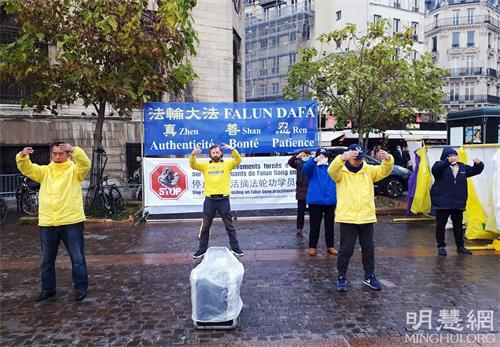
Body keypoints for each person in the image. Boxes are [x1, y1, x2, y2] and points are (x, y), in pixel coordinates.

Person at [16, 142, 91, 302]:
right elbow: (28, 169)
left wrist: (75, 150)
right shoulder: (44, 171)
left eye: (61, 153)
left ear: (68, 155)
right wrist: (22, 157)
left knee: (77, 259)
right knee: (46, 260)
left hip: (71, 221)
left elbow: (85, 164)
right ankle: (48, 290)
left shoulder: (75, 171)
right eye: (55, 154)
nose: (57, 157)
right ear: (51, 155)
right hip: (48, 222)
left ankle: (81, 288)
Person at [328, 144, 393, 292]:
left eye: (360, 158)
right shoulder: (341, 172)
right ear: (349, 157)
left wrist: (388, 159)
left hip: (366, 217)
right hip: (348, 218)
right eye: (355, 158)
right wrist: (341, 158)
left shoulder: (368, 170)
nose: (358, 161)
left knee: (369, 249)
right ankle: (341, 276)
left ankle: (369, 275)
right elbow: (331, 171)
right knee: (346, 250)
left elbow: (384, 171)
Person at [190, 143, 244, 259]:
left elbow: (238, 160)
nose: (215, 154)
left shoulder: (227, 164)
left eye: (217, 152)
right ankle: (201, 249)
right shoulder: (205, 166)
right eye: (213, 152)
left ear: (221, 154)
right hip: (209, 200)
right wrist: (193, 155)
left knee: (229, 226)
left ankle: (235, 248)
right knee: (205, 227)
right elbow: (193, 165)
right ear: (210, 154)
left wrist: (233, 150)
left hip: (223, 200)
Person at [430, 147, 484, 256]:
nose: (453, 157)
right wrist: (447, 161)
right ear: (445, 157)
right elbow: (435, 170)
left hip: (458, 202)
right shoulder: (439, 165)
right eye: (449, 155)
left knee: (458, 226)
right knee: (441, 225)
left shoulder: (462, 167)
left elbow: (475, 171)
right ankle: (441, 246)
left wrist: (479, 164)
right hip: (442, 202)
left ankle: (460, 246)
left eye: (454, 155)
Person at [303, 148, 337, 256]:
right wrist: (314, 160)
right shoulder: (312, 167)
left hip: (330, 200)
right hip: (315, 200)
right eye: (321, 155)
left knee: (330, 225)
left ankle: (330, 246)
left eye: (325, 156)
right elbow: (306, 168)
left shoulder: (331, 167)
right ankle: (312, 246)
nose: (323, 158)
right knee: (314, 225)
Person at [288, 149, 312, 235]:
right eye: (303, 155)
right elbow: (290, 162)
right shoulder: (299, 163)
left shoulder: (313, 163)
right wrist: (297, 156)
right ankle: (299, 228)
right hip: (301, 190)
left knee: (313, 211)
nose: (305, 157)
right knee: (300, 211)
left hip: (312, 190)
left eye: (306, 155)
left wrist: (313, 157)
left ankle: (313, 227)